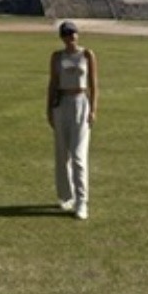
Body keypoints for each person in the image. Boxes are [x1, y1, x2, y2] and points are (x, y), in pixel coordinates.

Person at [47, 20, 98, 220]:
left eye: (73, 33)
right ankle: (65, 196)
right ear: (62, 37)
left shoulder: (87, 55)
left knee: (78, 155)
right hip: (61, 104)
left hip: (80, 103)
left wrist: (93, 109)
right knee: (62, 153)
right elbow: (52, 83)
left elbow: (94, 84)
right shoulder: (57, 57)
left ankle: (81, 201)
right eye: (67, 34)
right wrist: (49, 109)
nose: (71, 37)